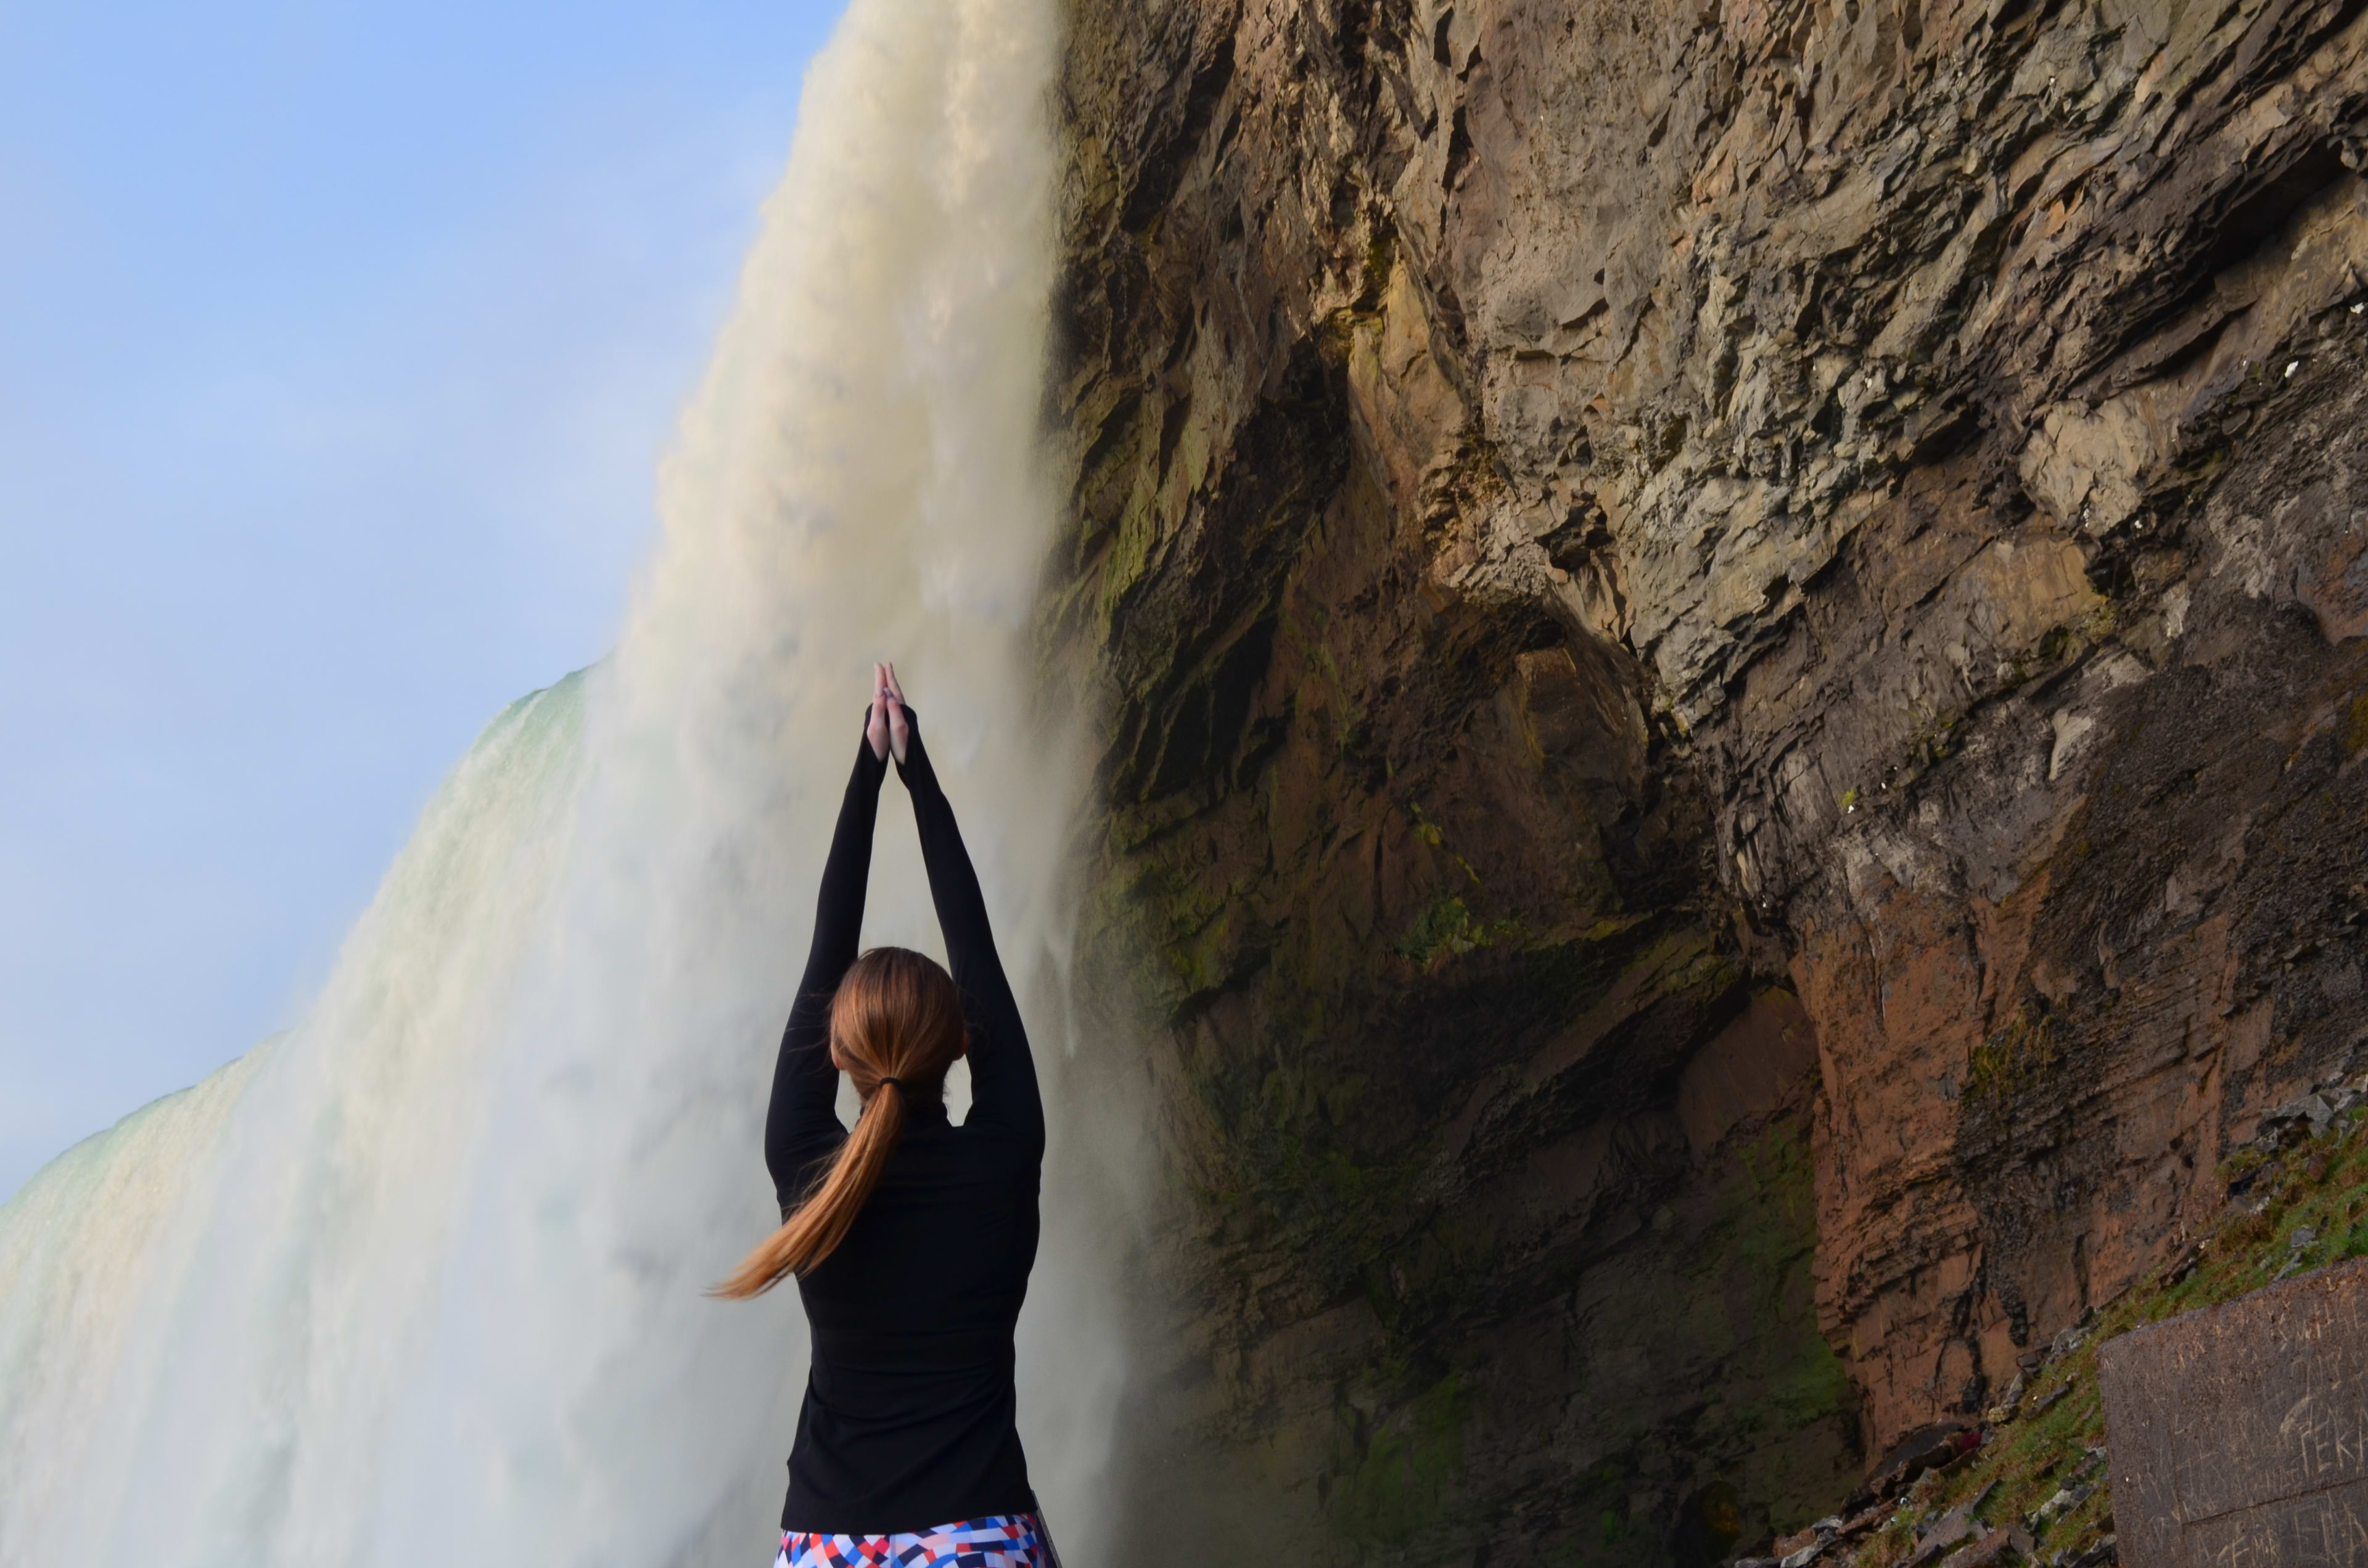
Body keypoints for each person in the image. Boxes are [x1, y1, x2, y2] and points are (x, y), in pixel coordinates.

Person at [715, 663, 1059, 1568]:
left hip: (830, 1546)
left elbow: (828, 948)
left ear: (834, 1056)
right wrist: (918, 777)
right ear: (961, 1045)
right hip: (981, 1536)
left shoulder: (805, 1166)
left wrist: (866, 775)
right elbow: (977, 948)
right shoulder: (1005, 1153)